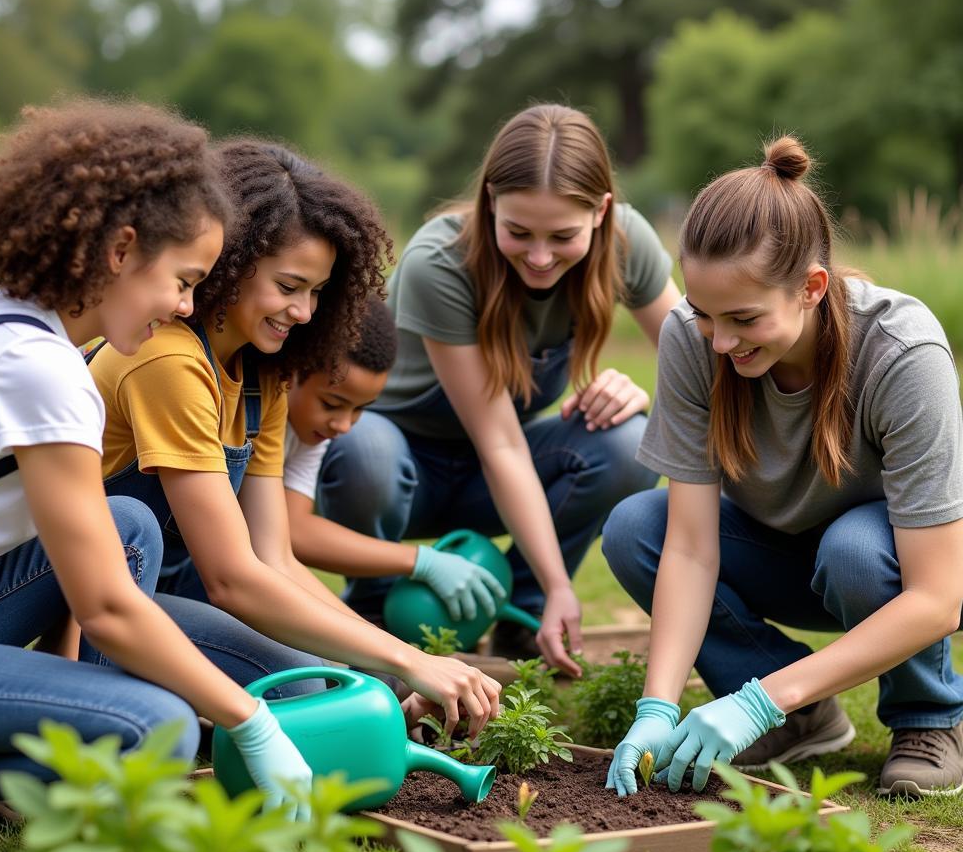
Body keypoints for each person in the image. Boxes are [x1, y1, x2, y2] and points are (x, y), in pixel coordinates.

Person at [0, 101, 323, 819]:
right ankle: (53, 782)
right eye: (183, 280)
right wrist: (250, 719)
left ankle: (39, 775)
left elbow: (99, 572)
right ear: (120, 251)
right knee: (159, 726)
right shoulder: (39, 369)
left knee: (127, 523)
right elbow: (110, 609)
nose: (186, 305)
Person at [87, 139, 501, 734]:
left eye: (316, 292)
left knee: (338, 685)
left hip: (162, 593)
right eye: (288, 286)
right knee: (310, 689)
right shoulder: (169, 362)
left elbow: (273, 558)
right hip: (95, 605)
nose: (304, 312)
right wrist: (407, 658)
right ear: (228, 264)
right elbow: (232, 579)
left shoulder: (264, 374)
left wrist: (393, 671)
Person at [603, 136, 963, 799]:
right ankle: (803, 717)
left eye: (743, 318)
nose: (721, 341)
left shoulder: (903, 352)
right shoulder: (695, 339)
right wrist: (656, 706)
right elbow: (686, 547)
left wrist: (754, 702)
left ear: (812, 288)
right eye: (705, 314)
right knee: (635, 528)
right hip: (778, 550)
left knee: (853, 549)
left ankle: (928, 717)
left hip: (885, 563)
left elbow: (939, 595)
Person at [318, 103, 680, 676]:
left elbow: (705, 367)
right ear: (490, 201)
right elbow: (500, 442)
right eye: (518, 232)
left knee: (626, 441)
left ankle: (529, 623)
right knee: (365, 446)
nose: (539, 257)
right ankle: (373, 622)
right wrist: (570, 585)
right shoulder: (439, 262)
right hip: (403, 474)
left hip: (500, 469)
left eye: (562, 236)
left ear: (602, 211)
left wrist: (644, 399)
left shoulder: (627, 242)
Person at [285, 295, 506, 622]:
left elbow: (290, 527)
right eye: (332, 404)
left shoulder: (309, 432)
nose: (344, 425)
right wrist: (420, 562)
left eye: (360, 408)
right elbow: (286, 537)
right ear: (289, 370)